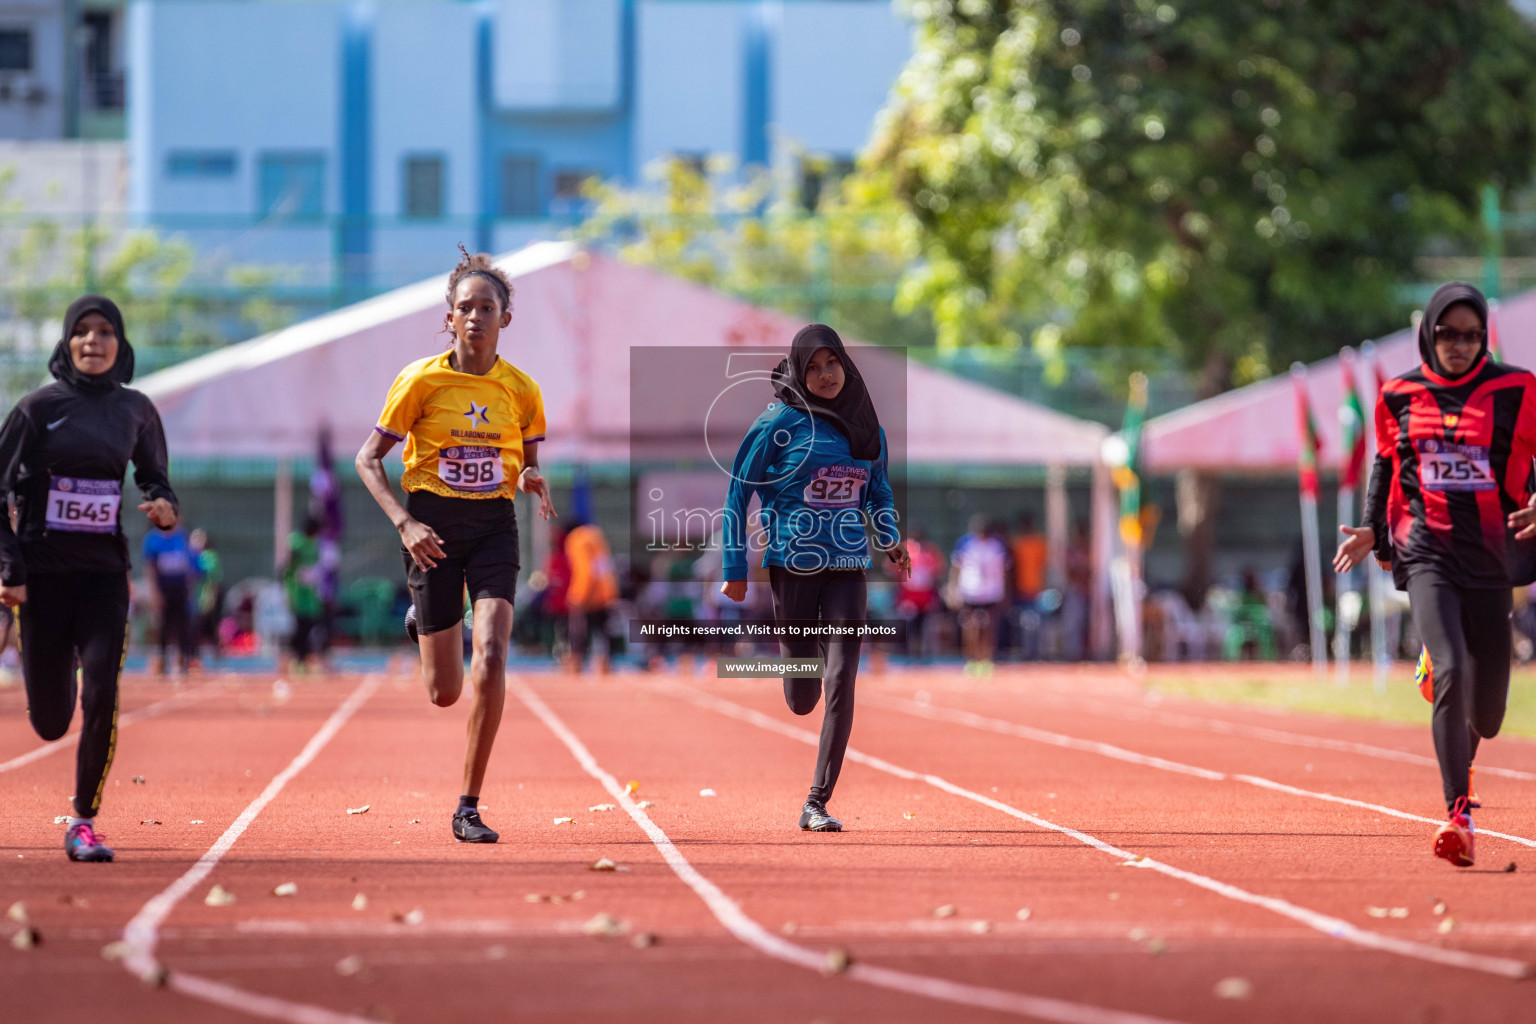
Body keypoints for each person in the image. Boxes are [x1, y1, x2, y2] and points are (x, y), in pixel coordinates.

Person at [355, 245, 555, 845]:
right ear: (449, 316)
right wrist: (403, 523)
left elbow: (526, 462)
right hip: (432, 531)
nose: (475, 316)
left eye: (486, 307)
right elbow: (367, 459)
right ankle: (425, 620)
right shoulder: (420, 381)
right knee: (445, 692)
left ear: (504, 318)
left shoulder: (523, 390)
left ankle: (468, 805)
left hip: (495, 527)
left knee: (491, 655)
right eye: (464, 307)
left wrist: (530, 478)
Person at [1336, 282, 1536, 868]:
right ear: (1429, 333)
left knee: (1491, 714)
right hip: (1427, 550)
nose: (1459, 345)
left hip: (1492, 555)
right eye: (1448, 334)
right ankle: (1458, 816)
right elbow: (1385, 464)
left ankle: (1458, 707)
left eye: (1472, 336)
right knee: (1451, 668)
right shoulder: (1400, 394)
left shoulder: (1517, 389)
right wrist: (1374, 526)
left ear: (1484, 340)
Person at [0, 295, 178, 862]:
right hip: (43, 579)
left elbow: (154, 477)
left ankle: (83, 821)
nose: (94, 341)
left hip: (104, 575)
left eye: (105, 332)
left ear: (120, 344)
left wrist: (163, 504)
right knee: (52, 721)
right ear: (67, 342)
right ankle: (55, 684)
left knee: (103, 687)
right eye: (83, 331)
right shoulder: (36, 409)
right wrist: (10, 566)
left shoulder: (137, 410)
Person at [720, 324, 910, 833]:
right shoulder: (778, 424)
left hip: (849, 564)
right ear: (801, 371)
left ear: (846, 364)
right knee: (803, 696)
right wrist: (734, 568)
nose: (827, 375)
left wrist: (890, 537)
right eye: (815, 367)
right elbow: (737, 495)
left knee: (842, 677)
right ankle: (796, 663)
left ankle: (816, 801)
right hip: (792, 565)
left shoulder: (867, 429)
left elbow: (879, 494)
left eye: (834, 364)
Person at [950, 515, 1008, 673]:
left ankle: (986, 659)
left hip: (991, 592)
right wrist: (953, 589)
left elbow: (1004, 570)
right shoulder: (965, 544)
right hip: (970, 591)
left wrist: (1004, 592)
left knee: (989, 627)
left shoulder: (997, 545)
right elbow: (956, 567)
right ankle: (971, 659)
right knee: (970, 627)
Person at [142, 517, 196, 674]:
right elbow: (150, 568)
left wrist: (189, 588)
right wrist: (154, 592)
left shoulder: (182, 536)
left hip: (179, 588)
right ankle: (161, 660)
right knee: (163, 625)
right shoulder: (153, 539)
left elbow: (187, 566)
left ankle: (184, 660)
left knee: (183, 624)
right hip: (163, 587)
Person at [565, 519, 618, 673]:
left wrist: (580, 594)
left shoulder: (577, 540)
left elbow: (585, 569)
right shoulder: (597, 537)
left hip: (588, 595)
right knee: (603, 631)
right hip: (606, 592)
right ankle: (605, 662)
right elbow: (604, 567)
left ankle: (577, 663)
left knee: (579, 631)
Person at [280, 516, 324, 673]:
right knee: (299, 627)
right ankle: (296, 659)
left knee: (309, 626)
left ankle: (304, 659)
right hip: (297, 591)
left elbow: (315, 566)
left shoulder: (315, 544)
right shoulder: (296, 542)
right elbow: (287, 565)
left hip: (310, 593)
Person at [190, 528, 224, 662]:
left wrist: (211, 598)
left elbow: (214, 580)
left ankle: (216, 658)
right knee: (196, 630)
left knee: (208, 628)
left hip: (208, 598)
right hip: (196, 599)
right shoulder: (192, 556)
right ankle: (194, 658)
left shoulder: (209, 556)